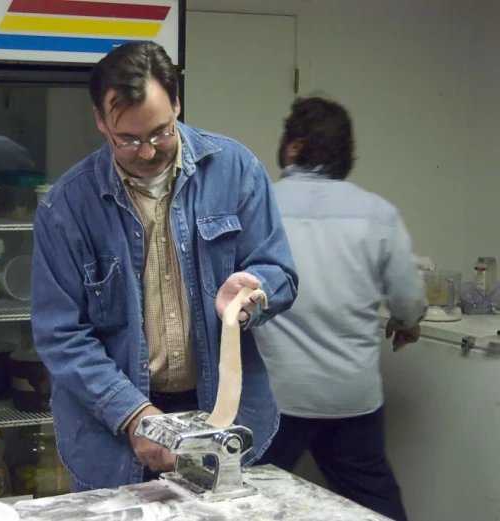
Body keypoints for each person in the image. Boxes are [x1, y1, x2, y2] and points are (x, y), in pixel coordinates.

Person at [30, 41, 298, 493]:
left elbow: (280, 271)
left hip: (220, 416)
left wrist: (254, 291)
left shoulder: (234, 170)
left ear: (176, 104)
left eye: (160, 132)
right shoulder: (67, 207)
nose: (148, 151)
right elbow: (60, 334)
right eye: (128, 140)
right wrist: (134, 415)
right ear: (100, 121)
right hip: (112, 428)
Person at [253, 96, 427, 521]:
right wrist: (406, 324)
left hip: (277, 394)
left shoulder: (259, 207)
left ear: (293, 148)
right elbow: (408, 299)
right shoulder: (379, 214)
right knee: (375, 501)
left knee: (247, 502)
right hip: (351, 395)